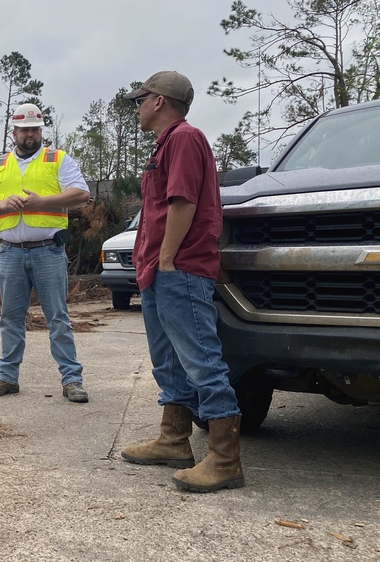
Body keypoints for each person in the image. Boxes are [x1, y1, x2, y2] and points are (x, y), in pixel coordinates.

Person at [119, 71, 244, 492]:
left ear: (158, 101)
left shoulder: (185, 138)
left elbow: (183, 202)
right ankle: (174, 440)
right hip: (158, 271)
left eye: (141, 99)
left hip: (180, 269)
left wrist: (169, 259)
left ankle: (225, 461)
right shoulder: (165, 144)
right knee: (168, 361)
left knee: (202, 361)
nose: (136, 107)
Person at [0, 103, 91, 403]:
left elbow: (81, 193)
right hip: (10, 251)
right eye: (24, 130)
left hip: (47, 250)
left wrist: (43, 202)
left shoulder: (57, 159)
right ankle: (7, 377)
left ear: (41, 131)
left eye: (35, 129)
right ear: (14, 133)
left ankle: (72, 380)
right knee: (10, 317)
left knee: (57, 318)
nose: (30, 135)